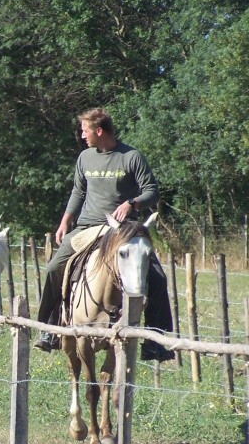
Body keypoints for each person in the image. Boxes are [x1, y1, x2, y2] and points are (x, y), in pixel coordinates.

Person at [34, 108, 175, 361]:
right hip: (88, 226)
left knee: (158, 278)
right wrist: (66, 220)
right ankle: (49, 330)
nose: (82, 134)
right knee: (54, 267)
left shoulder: (131, 156)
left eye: (85, 130)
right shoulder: (85, 157)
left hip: (123, 230)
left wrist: (132, 203)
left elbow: (152, 191)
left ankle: (157, 342)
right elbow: (78, 191)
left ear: (99, 131)